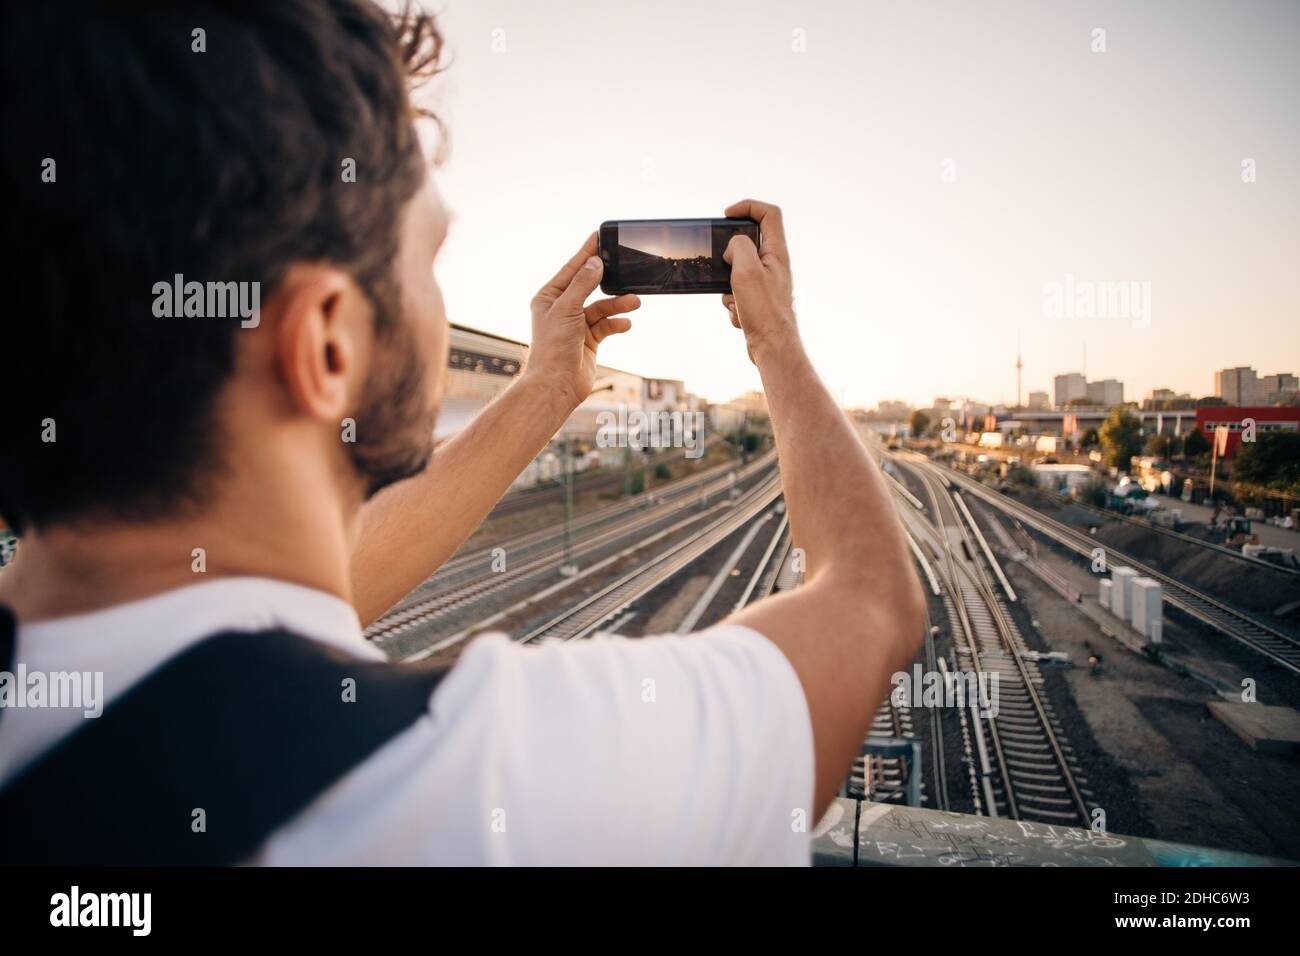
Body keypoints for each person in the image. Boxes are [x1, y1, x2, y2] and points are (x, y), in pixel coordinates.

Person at [0, 0, 924, 865]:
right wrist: (777, 340)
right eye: (429, 258)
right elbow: (872, 605)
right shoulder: (465, 784)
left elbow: (282, 586)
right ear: (327, 343)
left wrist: (542, 392)